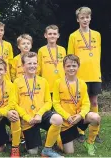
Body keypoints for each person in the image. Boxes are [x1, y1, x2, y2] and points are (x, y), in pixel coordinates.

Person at [14, 52, 63, 157]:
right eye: (29, 63)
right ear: (23, 66)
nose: (32, 66)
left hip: (41, 114)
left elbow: (48, 102)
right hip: (28, 119)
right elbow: (14, 104)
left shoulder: (43, 81)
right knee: (33, 152)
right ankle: (27, 141)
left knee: (58, 119)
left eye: (35, 63)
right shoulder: (17, 82)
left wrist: (39, 114)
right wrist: (26, 117)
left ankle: (47, 149)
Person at [53, 54, 101, 156]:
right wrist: (66, 116)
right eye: (68, 66)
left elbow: (86, 103)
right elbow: (56, 103)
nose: (71, 68)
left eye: (74, 66)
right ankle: (58, 138)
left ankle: (90, 143)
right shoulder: (58, 83)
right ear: (64, 67)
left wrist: (80, 115)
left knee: (95, 117)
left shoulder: (82, 84)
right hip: (66, 120)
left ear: (78, 67)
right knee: (69, 152)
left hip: (79, 117)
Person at [67, 6, 102, 143]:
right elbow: (70, 57)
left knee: (94, 101)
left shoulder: (97, 35)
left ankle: (96, 131)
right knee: (80, 103)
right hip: (80, 75)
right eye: (82, 17)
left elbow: (97, 55)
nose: (85, 20)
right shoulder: (73, 36)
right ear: (78, 19)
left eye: (87, 17)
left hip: (94, 74)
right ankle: (80, 131)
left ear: (90, 18)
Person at [37, 25, 66, 95]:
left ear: (58, 35)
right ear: (45, 35)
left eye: (54, 34)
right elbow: (38, 68)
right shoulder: (41, 50)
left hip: (61, 84)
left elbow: (66, 67)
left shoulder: (62, 50)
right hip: (47, 84)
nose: (52, 36)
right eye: (50, 34)